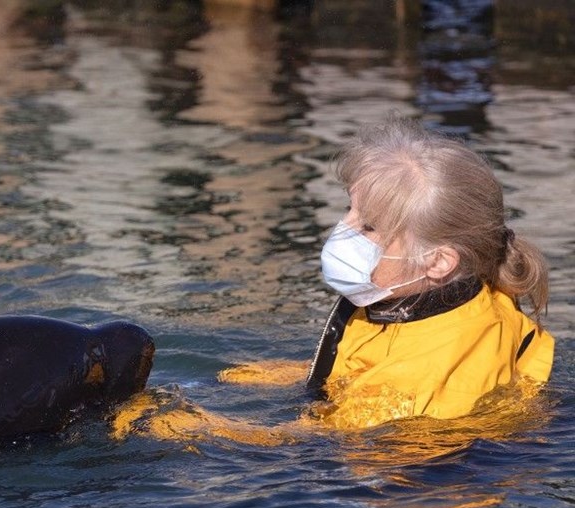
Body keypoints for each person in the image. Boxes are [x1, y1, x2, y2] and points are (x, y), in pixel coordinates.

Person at [113, 117, 554, 444]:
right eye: (350, 209)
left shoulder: (418, 377)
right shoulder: (434, 295)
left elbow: (313, 443)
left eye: (368, 227)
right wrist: (228, 380)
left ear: (438, 262)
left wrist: (175, 425)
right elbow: (348, 373)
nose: (342, 230)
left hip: (425, 483)